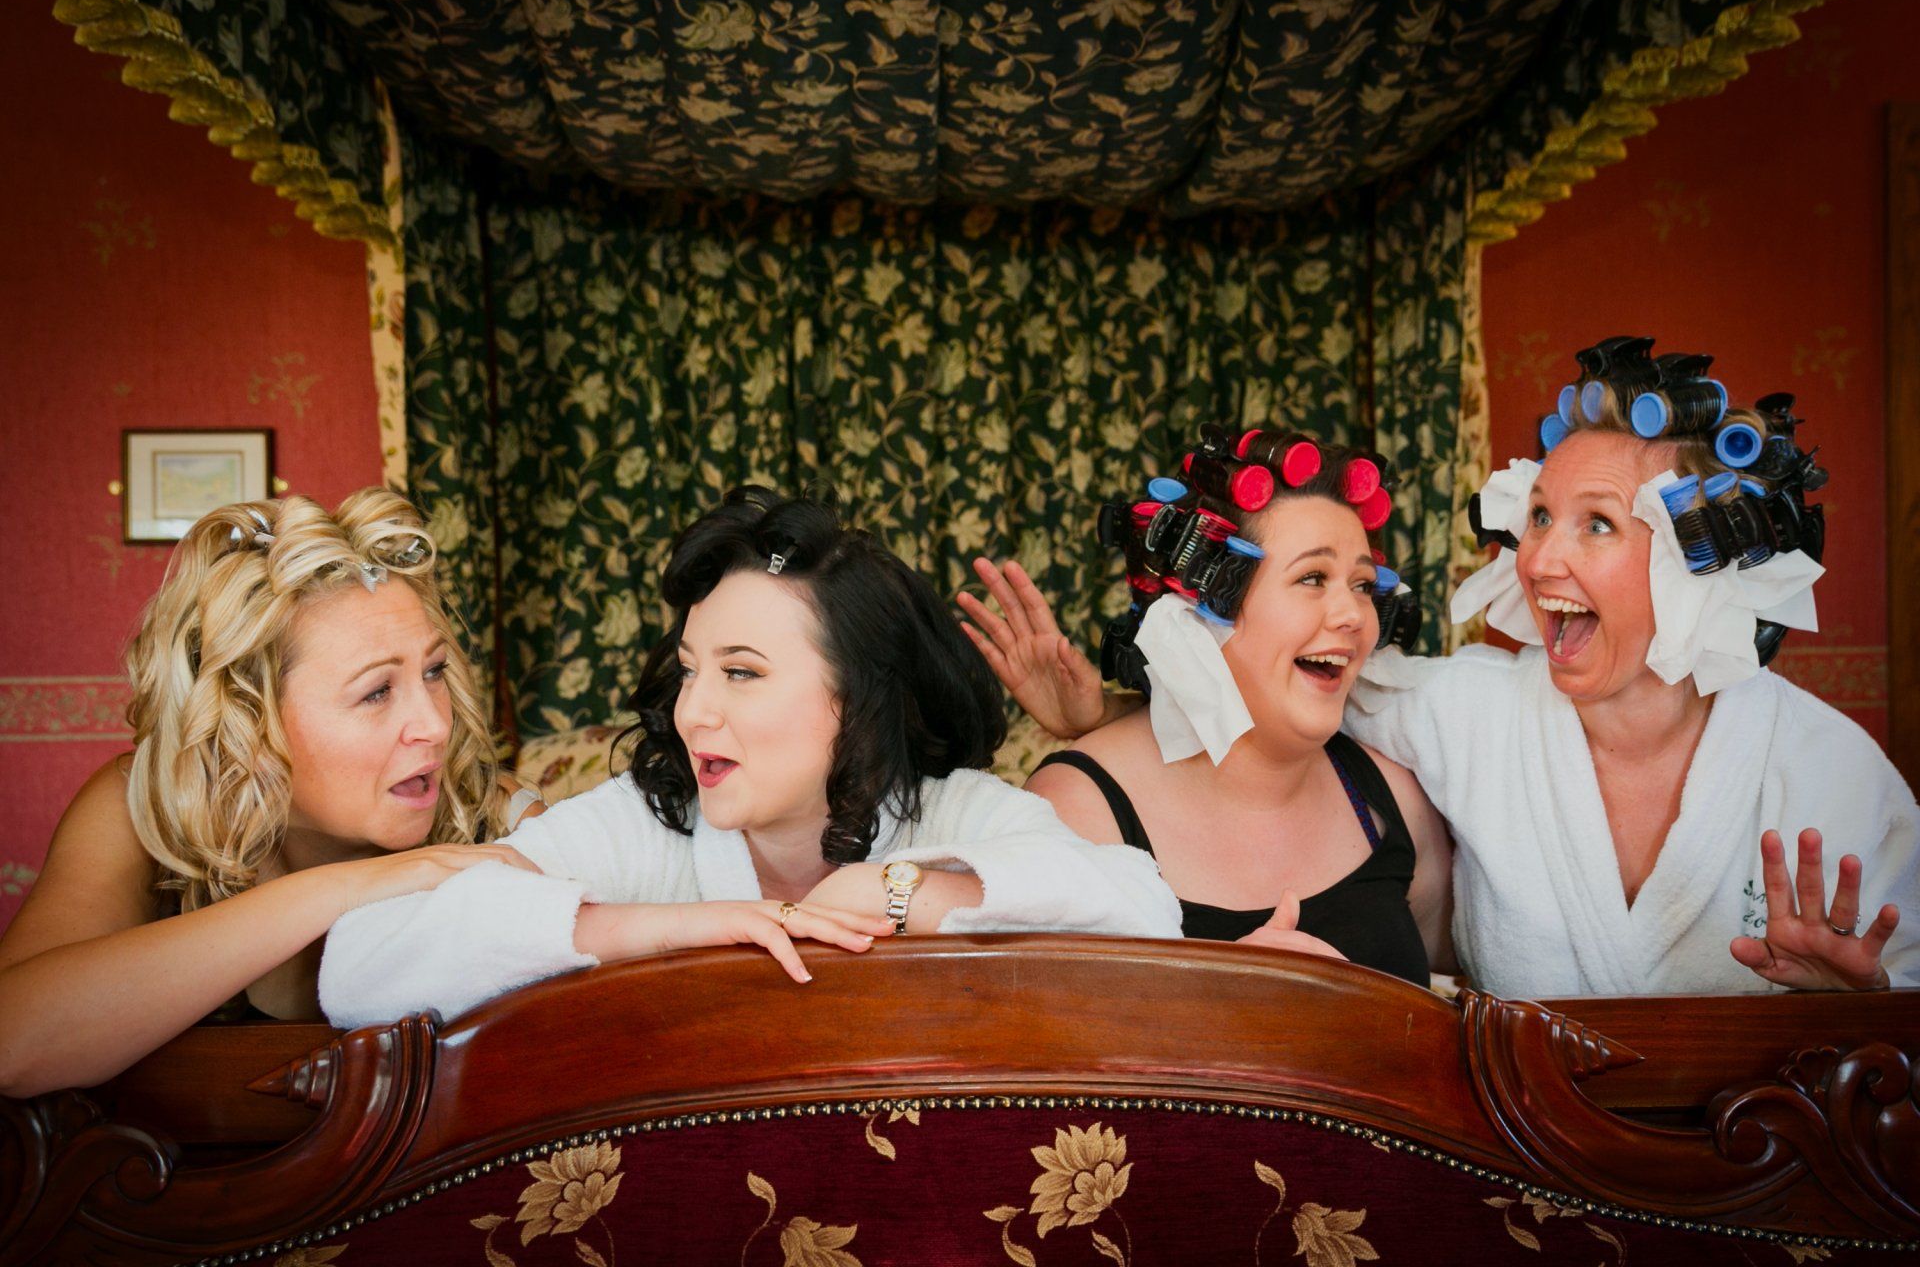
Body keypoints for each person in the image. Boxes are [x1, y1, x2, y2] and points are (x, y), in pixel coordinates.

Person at [967, 339, 1918, 995]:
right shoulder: (1464, 716)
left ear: (1704, 559)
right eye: (1537, 517)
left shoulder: (1828, 772)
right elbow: (1272, 688)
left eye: (1595, 523)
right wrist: (1109, 714)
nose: (1539, 560)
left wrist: (1860, 1012)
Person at [0, 490, 872, 1099]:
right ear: (250, 718)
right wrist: (352, 886)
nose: (433, 724)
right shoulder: (138, 808)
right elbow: (17, 1043)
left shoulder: (502, 821)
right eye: (377, 692)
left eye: (434, 674)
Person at [315, 489, 1182, 1029]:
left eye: (742, 673)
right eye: (691, 671)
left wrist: (896, 894)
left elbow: (1147, 911)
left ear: (860, 696)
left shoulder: (953, 813)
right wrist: (671, 931)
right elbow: (360, 965)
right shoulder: (642, 827)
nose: (694, 711)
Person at [959, 429, 1452, 987]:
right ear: (1201, 607)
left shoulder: (1390, 800)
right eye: (1312, 578)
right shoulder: (1081, 811)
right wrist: (1219, 1003)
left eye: (1362, 584)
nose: (1354, 616)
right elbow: (1042, 1036)